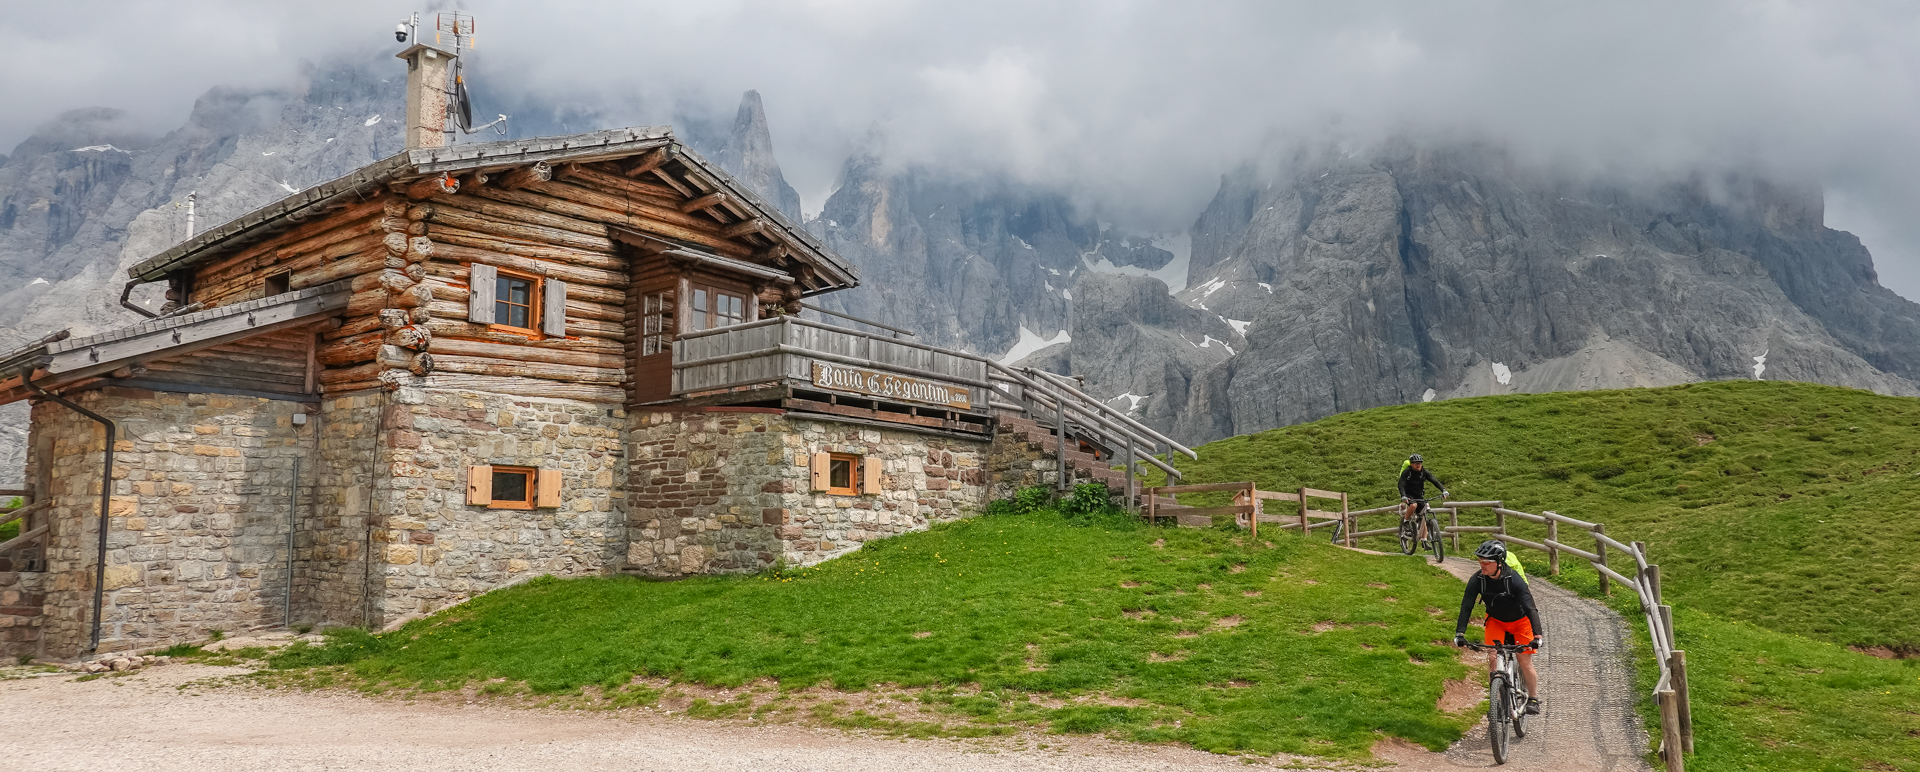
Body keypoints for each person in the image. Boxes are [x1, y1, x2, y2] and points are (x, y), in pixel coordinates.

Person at [1455, 540, 1543, 715]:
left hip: (1521, 622)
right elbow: (1467, 605)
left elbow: (1530, 607)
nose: (1482, 565)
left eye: (1487, 562)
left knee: (1524, 661)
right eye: (1480, 561)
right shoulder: (1477, 579)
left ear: (1499, 563)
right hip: (1496, 621)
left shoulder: (1514, 580)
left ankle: (1533, 699)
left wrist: (1538, 636)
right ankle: (1496, 704)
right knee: (1493, 658)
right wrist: (1460, 632)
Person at [1398, 454, 1448, 544]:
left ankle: (1424, 540)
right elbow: (1401, 484)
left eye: (1420, 463)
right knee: (1413, 505)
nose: (1418, 465)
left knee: (1423, 515)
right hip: (1408, 494)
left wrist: (1443, 490)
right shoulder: (1407, 472)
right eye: (1416, 463)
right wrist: (1403, 495)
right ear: (1411, 464)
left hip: (1419, 495)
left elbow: (1434, 480)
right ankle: (1406, 521)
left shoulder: (1424, 472)